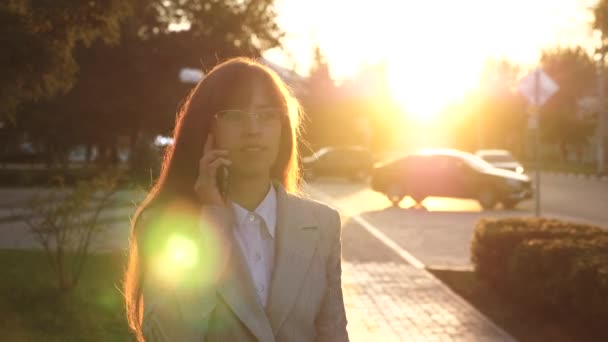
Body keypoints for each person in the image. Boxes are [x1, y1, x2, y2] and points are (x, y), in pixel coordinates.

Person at [124, 57, 349, 342]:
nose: (253, 129)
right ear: (207, 130)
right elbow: (172, 335)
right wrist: (213, 224)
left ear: (282, 128)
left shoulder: (321, 224)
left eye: (267, 115)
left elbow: (333, 334)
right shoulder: (166, 225)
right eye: (235, 115)